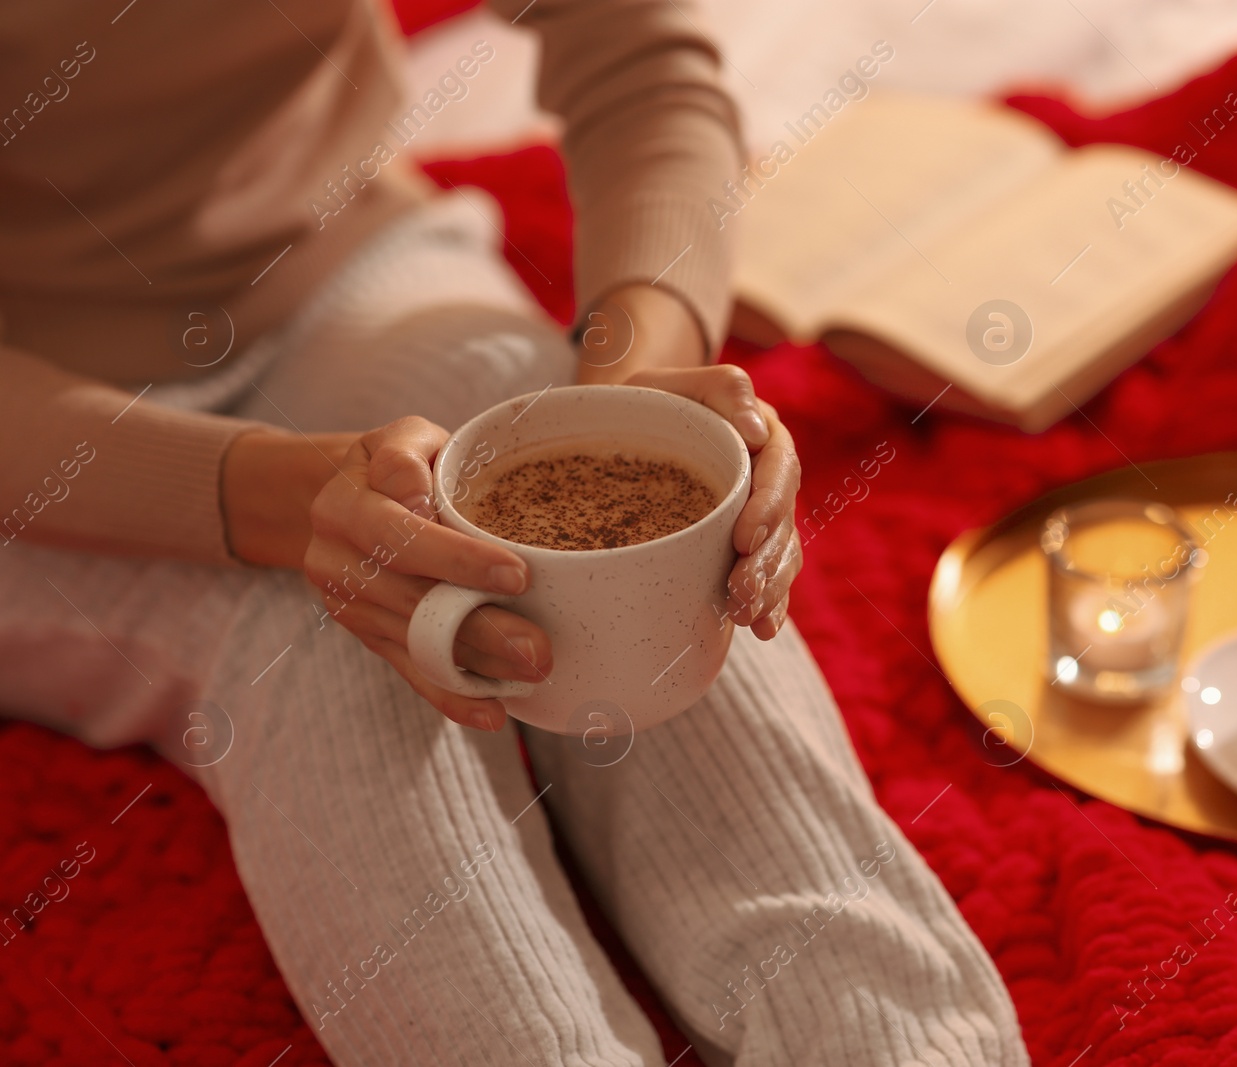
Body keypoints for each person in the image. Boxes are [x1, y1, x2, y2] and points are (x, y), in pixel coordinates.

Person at [0, 1, 1028, 1063]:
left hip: (334, 262)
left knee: (547, 459)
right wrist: (270, 497)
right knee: (317, 630)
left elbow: (640, 56)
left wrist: (633, 402)